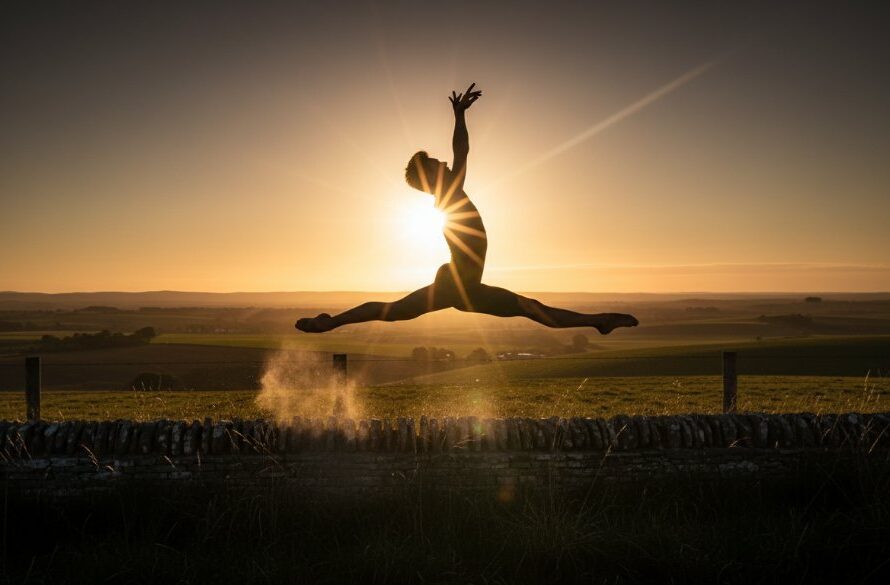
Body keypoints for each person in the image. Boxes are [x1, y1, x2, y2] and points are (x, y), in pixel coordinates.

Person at [296, 84, 639, 334]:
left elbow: (458, 156)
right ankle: (332, 322)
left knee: (397, 310)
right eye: (436, 163)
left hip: (464, 284)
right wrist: (459, 116)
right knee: (398, 311)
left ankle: (599, 321)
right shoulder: (450, 195)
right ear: (431, 176)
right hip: (460, 284)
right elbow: (461, 152)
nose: (443, 162)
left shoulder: (447, 197)